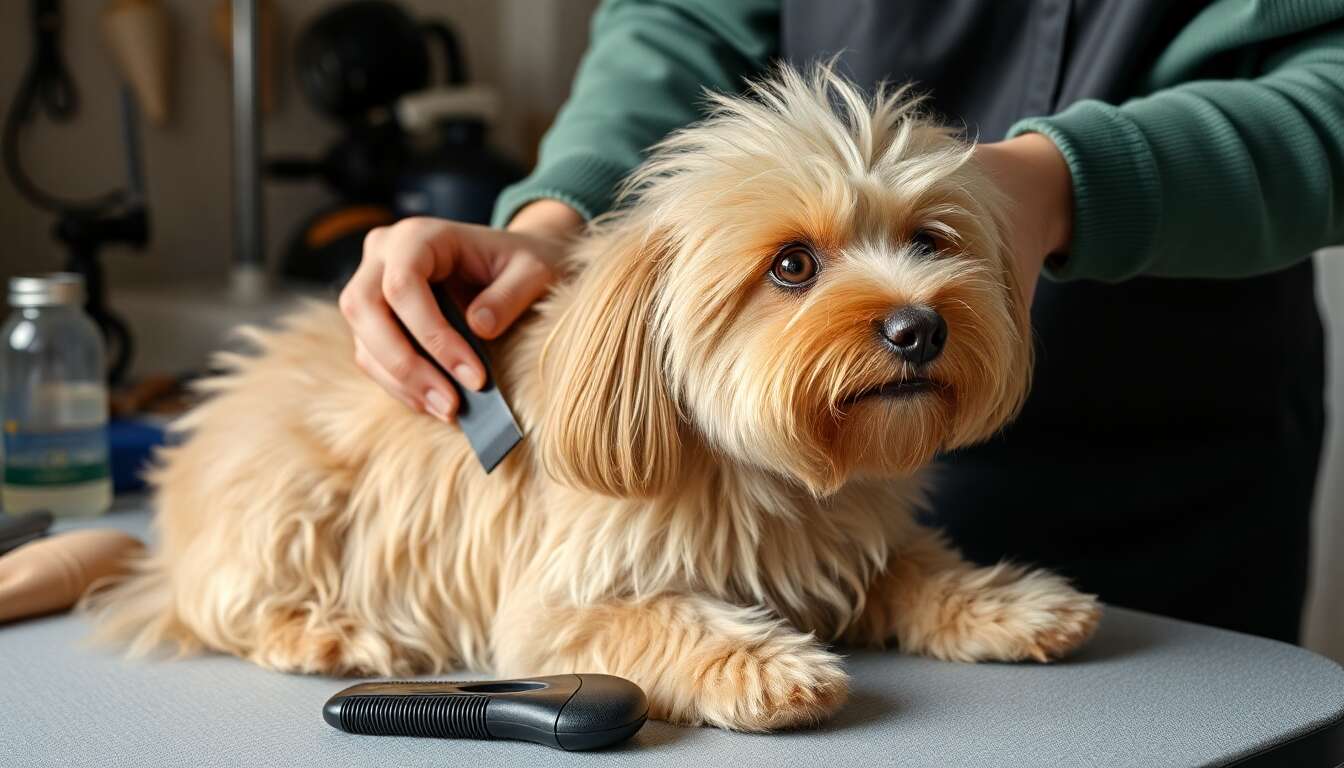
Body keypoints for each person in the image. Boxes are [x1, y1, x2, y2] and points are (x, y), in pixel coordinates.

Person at [337, 0, 1344, 642]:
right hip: (760, 487)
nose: (906, 302)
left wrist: (1060, 188)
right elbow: (681, 16)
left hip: (1176, 470)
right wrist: (563, 217)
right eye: (795, 265)